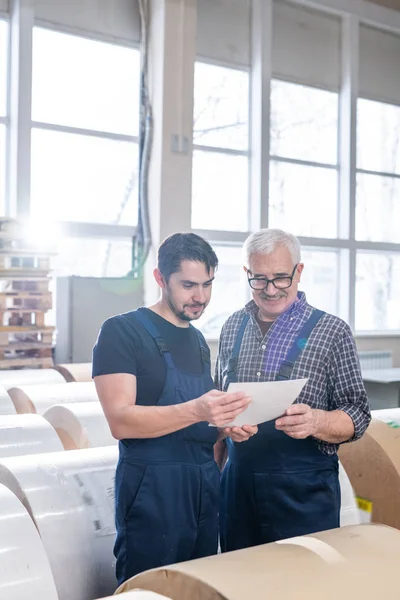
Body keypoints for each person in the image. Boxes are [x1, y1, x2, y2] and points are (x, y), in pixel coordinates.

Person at [92, 232, 257, 585]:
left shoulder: (197, 340)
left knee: (197, 587)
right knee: (150, 588)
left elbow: (200, 418)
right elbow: (120, 420)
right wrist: (199, 411)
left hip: (203, 488)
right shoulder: (122, 332)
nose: (200, 297)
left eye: (208, 285)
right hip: (154, 492)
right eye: (188, 285)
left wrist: (226, 425)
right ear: (159, 279)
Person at [215, 228, 371, 552]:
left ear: (299, 272)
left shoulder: (332, 332)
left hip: (303, 497)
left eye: (281, 278)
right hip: (237, 491)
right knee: (238, 584)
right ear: (246, 273)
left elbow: (358, 414)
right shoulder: (232, 327)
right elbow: (217, 403)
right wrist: (224, 428)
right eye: (259, 279)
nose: (270, 290)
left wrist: (317, 422)